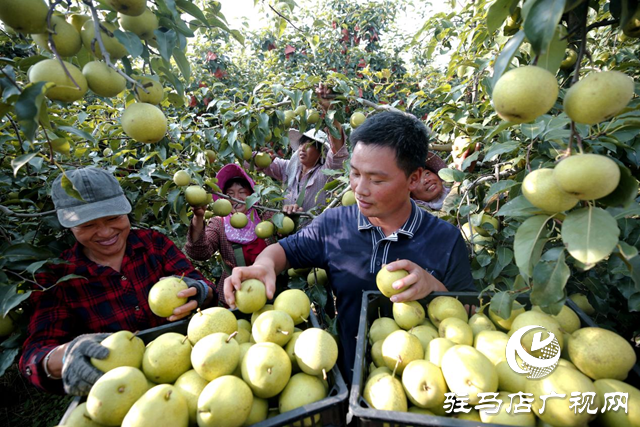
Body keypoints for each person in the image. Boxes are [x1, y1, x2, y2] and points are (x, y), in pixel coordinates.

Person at [224, 111, 476, 383]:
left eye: (377, 180)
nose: (360, 189)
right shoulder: (334, 225)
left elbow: (470, 318)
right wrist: (263, 265)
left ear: (414, 179)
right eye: (355, 174)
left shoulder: (445, 239)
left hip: (419, 384)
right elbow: (284, 251)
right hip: (348, 378)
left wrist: (434, 289)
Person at [19, 167, 216, 395]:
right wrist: (64, 356)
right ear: (69, 226)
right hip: (120, 392)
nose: (104, 232)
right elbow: (34, 354)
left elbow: (204, 287)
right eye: (87, 224)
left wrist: (200, 291)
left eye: (113, 218)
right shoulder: (57, 279)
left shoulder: (154, 245)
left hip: (193, 372)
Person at [184, 163, 273, 305]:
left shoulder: (266, 217)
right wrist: (198, 217)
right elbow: (199, 252)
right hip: (237, 298)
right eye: (230, 194)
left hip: (272, 292)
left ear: (252, 195)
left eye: (242, 193)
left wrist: (291, 215)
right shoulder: (220, 223)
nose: (235, 198)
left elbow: (291, 242)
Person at [257, 84, 349, 215]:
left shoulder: (325, 174)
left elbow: (338, 152)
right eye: (302, 144)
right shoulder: (289, 169)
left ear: (321, 152)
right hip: (287, 234)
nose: (303, 148)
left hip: (315, 234)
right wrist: (260, 155)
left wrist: (330, 111)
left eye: (310, 145)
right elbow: (249, 161)